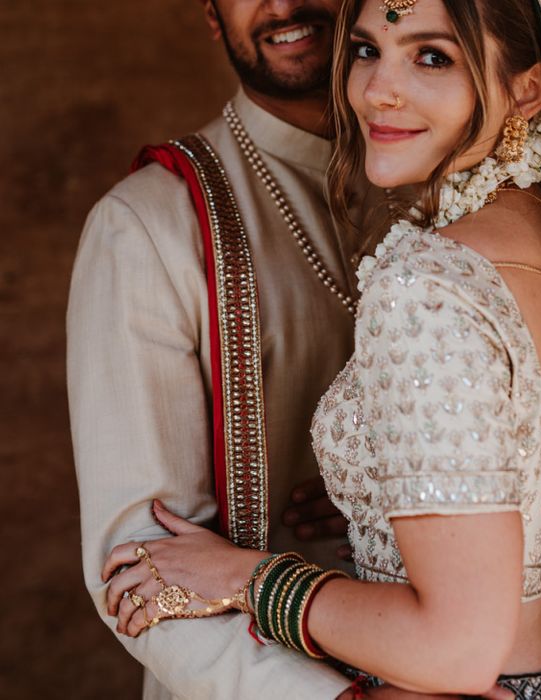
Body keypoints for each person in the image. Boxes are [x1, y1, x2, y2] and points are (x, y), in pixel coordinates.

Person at [101, 0, 541, 698]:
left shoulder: (426, 284)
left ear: (527, 90)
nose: (377, 89)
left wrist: (248, 577)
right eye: (366, 49)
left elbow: (455, 651)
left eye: (431, 57)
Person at [68, 1, 388, 698]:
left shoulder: (470, 188)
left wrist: (399, 497)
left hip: (473, 659)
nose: (280, 4)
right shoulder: (149, 225)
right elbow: (138, 570)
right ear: (211, 14)